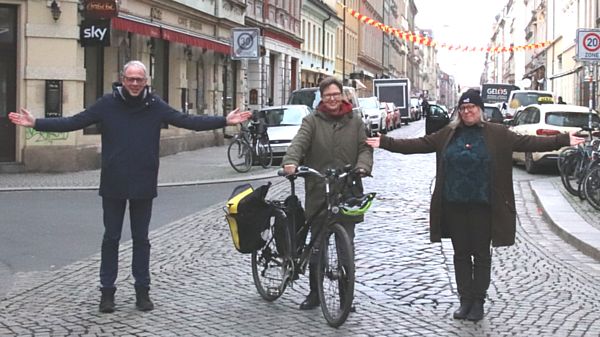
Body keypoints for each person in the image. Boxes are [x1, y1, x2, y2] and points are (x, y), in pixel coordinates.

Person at [8, 60, 252, 313]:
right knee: (111, 238)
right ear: (122, 79)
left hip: (144, 181)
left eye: (139, 79)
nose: (135, 84)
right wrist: (36, 123)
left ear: (146, 81)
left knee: (141, 239)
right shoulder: (107, 104)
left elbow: (187, 120)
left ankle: (142, 292)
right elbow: (74, 122)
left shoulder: (154, 105)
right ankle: (107, 293)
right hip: (113, 181)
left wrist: (224, 120)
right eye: (130, 79)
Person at [365, 89, 585, 322]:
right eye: (463, 108)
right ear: (459, 112)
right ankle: (464, 301)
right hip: (454, 204)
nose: (467, 111)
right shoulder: (449, 133)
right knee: (460, 254)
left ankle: (478, 301)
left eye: (472, 108)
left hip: (484, 205)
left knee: (480, 254)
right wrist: (385, 142)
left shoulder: (498, 134)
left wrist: (563, 140)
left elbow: (529, 141)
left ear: (479, 110)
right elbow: (419, 144)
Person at [281, 76, 373, 310]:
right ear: (321, 98)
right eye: (327, 96)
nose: (332, 99)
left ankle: (345, 296)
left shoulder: (356, 122)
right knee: (318, 245)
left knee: (346, 246)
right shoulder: (312, 121)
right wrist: (291, 161)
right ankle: (314, 293)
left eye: (335, 94)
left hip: (347, 189)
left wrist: (362, 167)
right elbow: (299, 143)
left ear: (342, 95)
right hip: (319, 189)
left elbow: (365, 148)